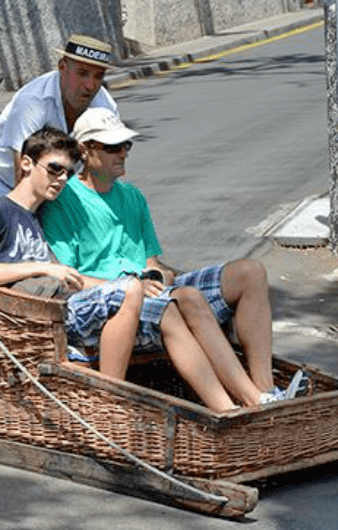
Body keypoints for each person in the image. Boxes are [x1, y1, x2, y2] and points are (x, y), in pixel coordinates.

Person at [40, 108, 296, 411]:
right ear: (85, 149)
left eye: (126, 146)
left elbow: (151, 262)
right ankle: (232, 408)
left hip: (146, 287)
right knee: (179, 301)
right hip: (111, 299)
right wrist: (128, 286)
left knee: (250, 272)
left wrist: (158, 277)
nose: (122, 153)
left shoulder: (132, 196)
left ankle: (264, 391)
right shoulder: (63, 201)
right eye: (112, 147)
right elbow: (70, 277)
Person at [0, 127, 143, 380]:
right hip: (25, 323)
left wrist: (122, 286)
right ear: (26, 163)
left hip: (54, 312)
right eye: (54, 169)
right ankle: (112, 393)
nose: (62, 179)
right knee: (130, 292)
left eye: (68, 173)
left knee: (149, 298)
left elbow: (68, 278)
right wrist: (40, 267)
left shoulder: (40, 219)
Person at [0, 34, 119, 203]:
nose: (90, 85)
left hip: (53, 180)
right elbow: (23, 177)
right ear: (62, 67)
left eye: (98, 76)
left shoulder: (105, 107)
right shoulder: (33, 101)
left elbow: (105, 167)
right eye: (82, 73)